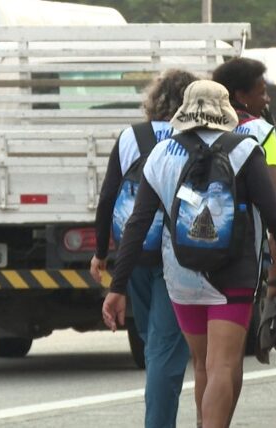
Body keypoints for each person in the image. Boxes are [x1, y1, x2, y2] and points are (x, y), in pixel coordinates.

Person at [102, 80, 276, 428]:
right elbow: (275, 215)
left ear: (184, 112)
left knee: (202, 366)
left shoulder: (162, 154)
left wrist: (117, 286)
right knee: (223, 366)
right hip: (234, 274)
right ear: (225, 111)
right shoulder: (245, 149)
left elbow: (137, 225)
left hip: (181, 274)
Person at [89, 69, 197, 428]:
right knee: (165, 347)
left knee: (154, 340)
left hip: (134, 252)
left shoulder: (131, 137)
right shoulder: (195, 137)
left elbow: (108, 198)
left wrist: (101, 251)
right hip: (178, 257)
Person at [212, 58, 276, 296]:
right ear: (241, 95)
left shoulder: (199, 128)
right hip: (244, 249)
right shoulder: (261, 131)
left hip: (193, 247)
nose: (267, 99)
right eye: (262, 93)